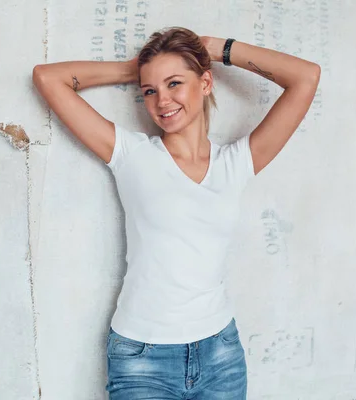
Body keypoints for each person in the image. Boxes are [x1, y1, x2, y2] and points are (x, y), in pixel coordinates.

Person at [33, 27, 320, 400]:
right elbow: (47, 77)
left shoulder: (236, 163)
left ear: (205, 83)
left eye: (174, 83)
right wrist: (131, 70)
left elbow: (305, 77)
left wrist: (216, 49)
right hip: (142, 360)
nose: (161, 100)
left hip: (220, 354)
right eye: (149, 90)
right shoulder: (131, 154)